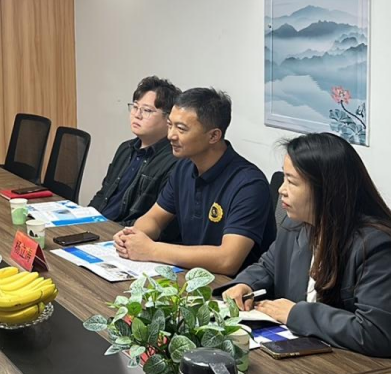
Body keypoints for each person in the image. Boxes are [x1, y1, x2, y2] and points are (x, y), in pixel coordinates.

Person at [222, 133, 391, 374]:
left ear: (326, 190)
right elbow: (269, 266)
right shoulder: (296, 225)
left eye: (291, 182)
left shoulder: (379, 245)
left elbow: (376, 333)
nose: (281, 190)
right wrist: (245, 284)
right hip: (324, 360)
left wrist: (294, 314)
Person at [114, 88, 275, 275]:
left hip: (232, 286)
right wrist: (133, 236)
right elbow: (155, 219)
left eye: (181, 129)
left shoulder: (249, 184)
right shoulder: (184, 167)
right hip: (190, 275)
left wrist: (152, 250)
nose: (171, 135)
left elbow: (228, 260)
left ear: (213, 136)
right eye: (170, 125)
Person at [88, 76, 181, 239]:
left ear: (169, 119)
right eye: (135, 107)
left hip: (124, 236)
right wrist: (84, 220)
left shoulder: (174, 162)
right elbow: (103, 194)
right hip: (98, 229)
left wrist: (104, 230)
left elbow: (155, 220)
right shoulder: (125, 149)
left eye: (147, 110)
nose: (137, 115)